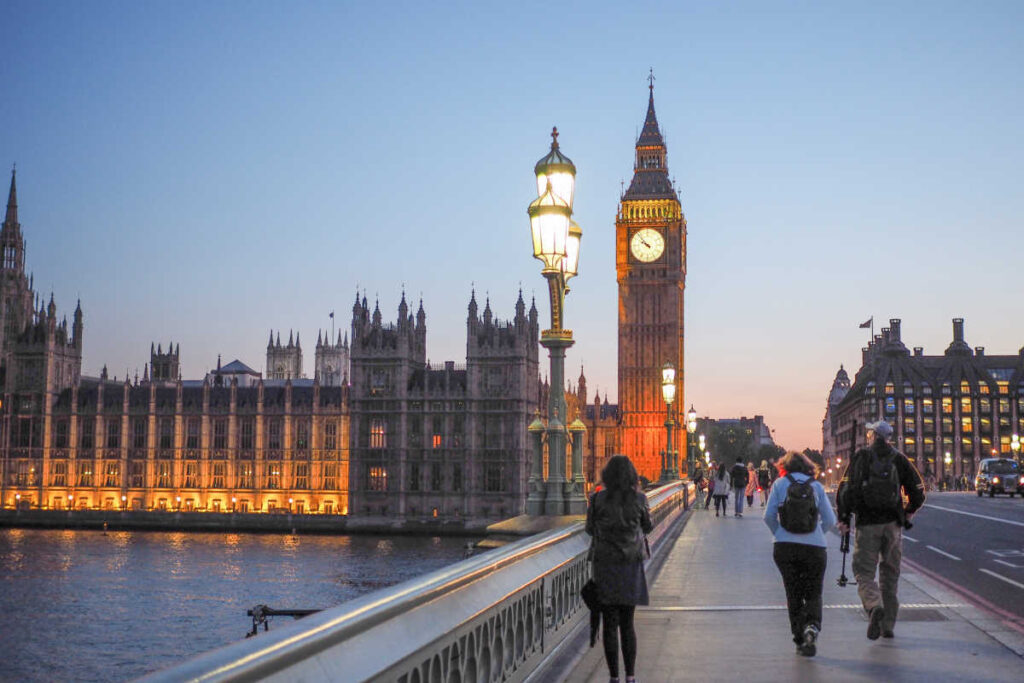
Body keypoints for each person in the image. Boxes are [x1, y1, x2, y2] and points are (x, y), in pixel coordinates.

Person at [837, 420, 925, 641]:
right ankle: (888, 626)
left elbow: (845, 490)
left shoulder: (860, 457)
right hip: (892, 525)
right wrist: (909, 511)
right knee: (890, 574)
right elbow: (918, 489)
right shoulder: (899, 459)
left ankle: (874, 605)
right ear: (889, 438)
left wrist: (844, 518)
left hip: (867, 523)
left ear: (871, 436)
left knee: (864, 572)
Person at [586, 454, 653, 683]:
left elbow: (588, 528)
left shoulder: (597, 499)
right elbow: (648, 526)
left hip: (605, 566)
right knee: (627, 624)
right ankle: (630, 677)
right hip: (630, 566)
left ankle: (613, 677)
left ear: (607, 476)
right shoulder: (640, 499)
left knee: (609, 624)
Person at [764, 451, 838, 657]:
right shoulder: (816, 486)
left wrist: (780, 533)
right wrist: (816, 535)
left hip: (785, 548)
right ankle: (812, 627)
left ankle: (799, 638)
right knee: (813, 591)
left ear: (784, 467)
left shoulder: (779, 485)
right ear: (808, 467)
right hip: (815, 549)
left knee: (793, 592)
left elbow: (768, 517)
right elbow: (830, 521)